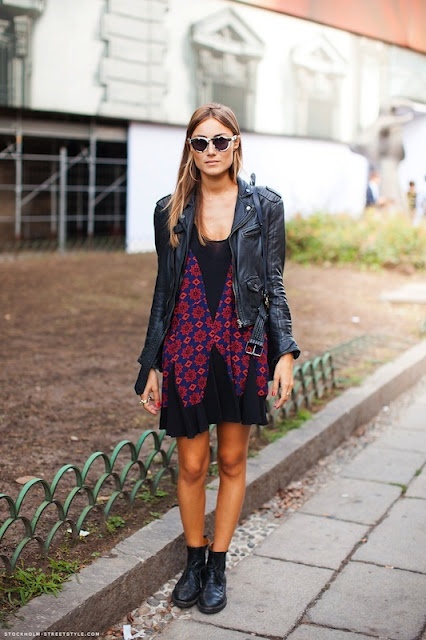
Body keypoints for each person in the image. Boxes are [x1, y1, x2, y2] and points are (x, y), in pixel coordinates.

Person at [134, 103, 300, 614]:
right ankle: (194, 560)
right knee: (190, 464)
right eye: (201, 142)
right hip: (185, 346)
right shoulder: (169, 210)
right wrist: (151, 362)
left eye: (220, 140)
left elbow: (273, 284)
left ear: (235, 143)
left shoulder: (264, 206)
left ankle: (218, 566)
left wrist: (285, 351)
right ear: (190, 148)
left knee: (230, 460)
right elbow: (163, 292)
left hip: (241, 344)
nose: (211, 150)